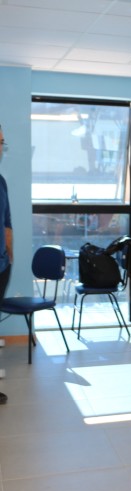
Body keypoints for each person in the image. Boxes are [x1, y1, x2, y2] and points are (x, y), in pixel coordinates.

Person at [0, 126, 12, 405]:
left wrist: (9, 258)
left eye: (2, 143)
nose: (1, 148)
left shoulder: (1, 181)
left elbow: (7, 223)